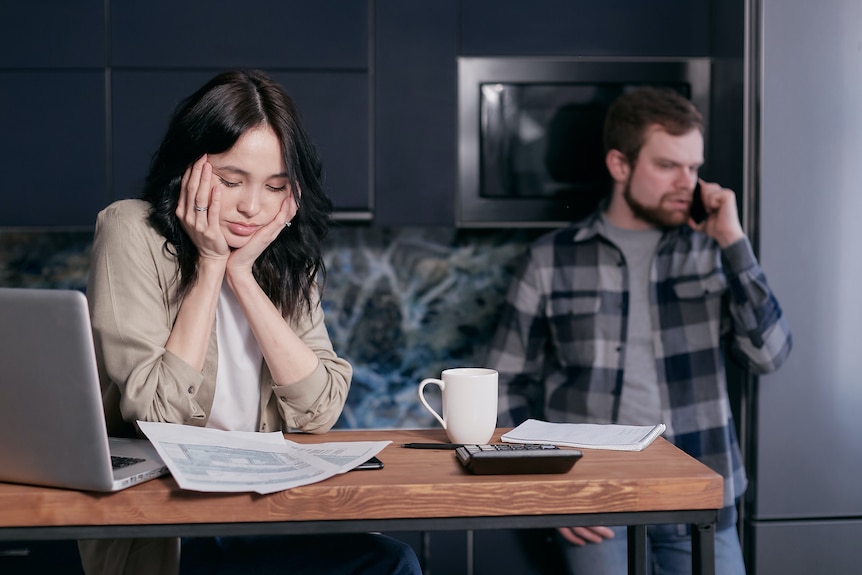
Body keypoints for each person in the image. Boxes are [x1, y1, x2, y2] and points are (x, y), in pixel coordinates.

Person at [78, 69, 422, 575]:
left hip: (266, 513)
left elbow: (318, 409)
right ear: (189, 170)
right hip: (169, 527)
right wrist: (211, 266)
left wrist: (242, 273)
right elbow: (157, 414)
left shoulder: (281, 253)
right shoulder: (130, 230)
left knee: (390, 563)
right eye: (229, 181)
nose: (251, 206)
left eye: (274, 186)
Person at [487, 86, 792, 575]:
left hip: (702, 495)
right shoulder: (550, 259)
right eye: (668, 165)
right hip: (595, 498)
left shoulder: (712, 251)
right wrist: (547, 487)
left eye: (694, 168)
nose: (687, 183)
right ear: (619, 165)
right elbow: (503, 385)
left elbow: (768, 354)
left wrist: (735, 242)